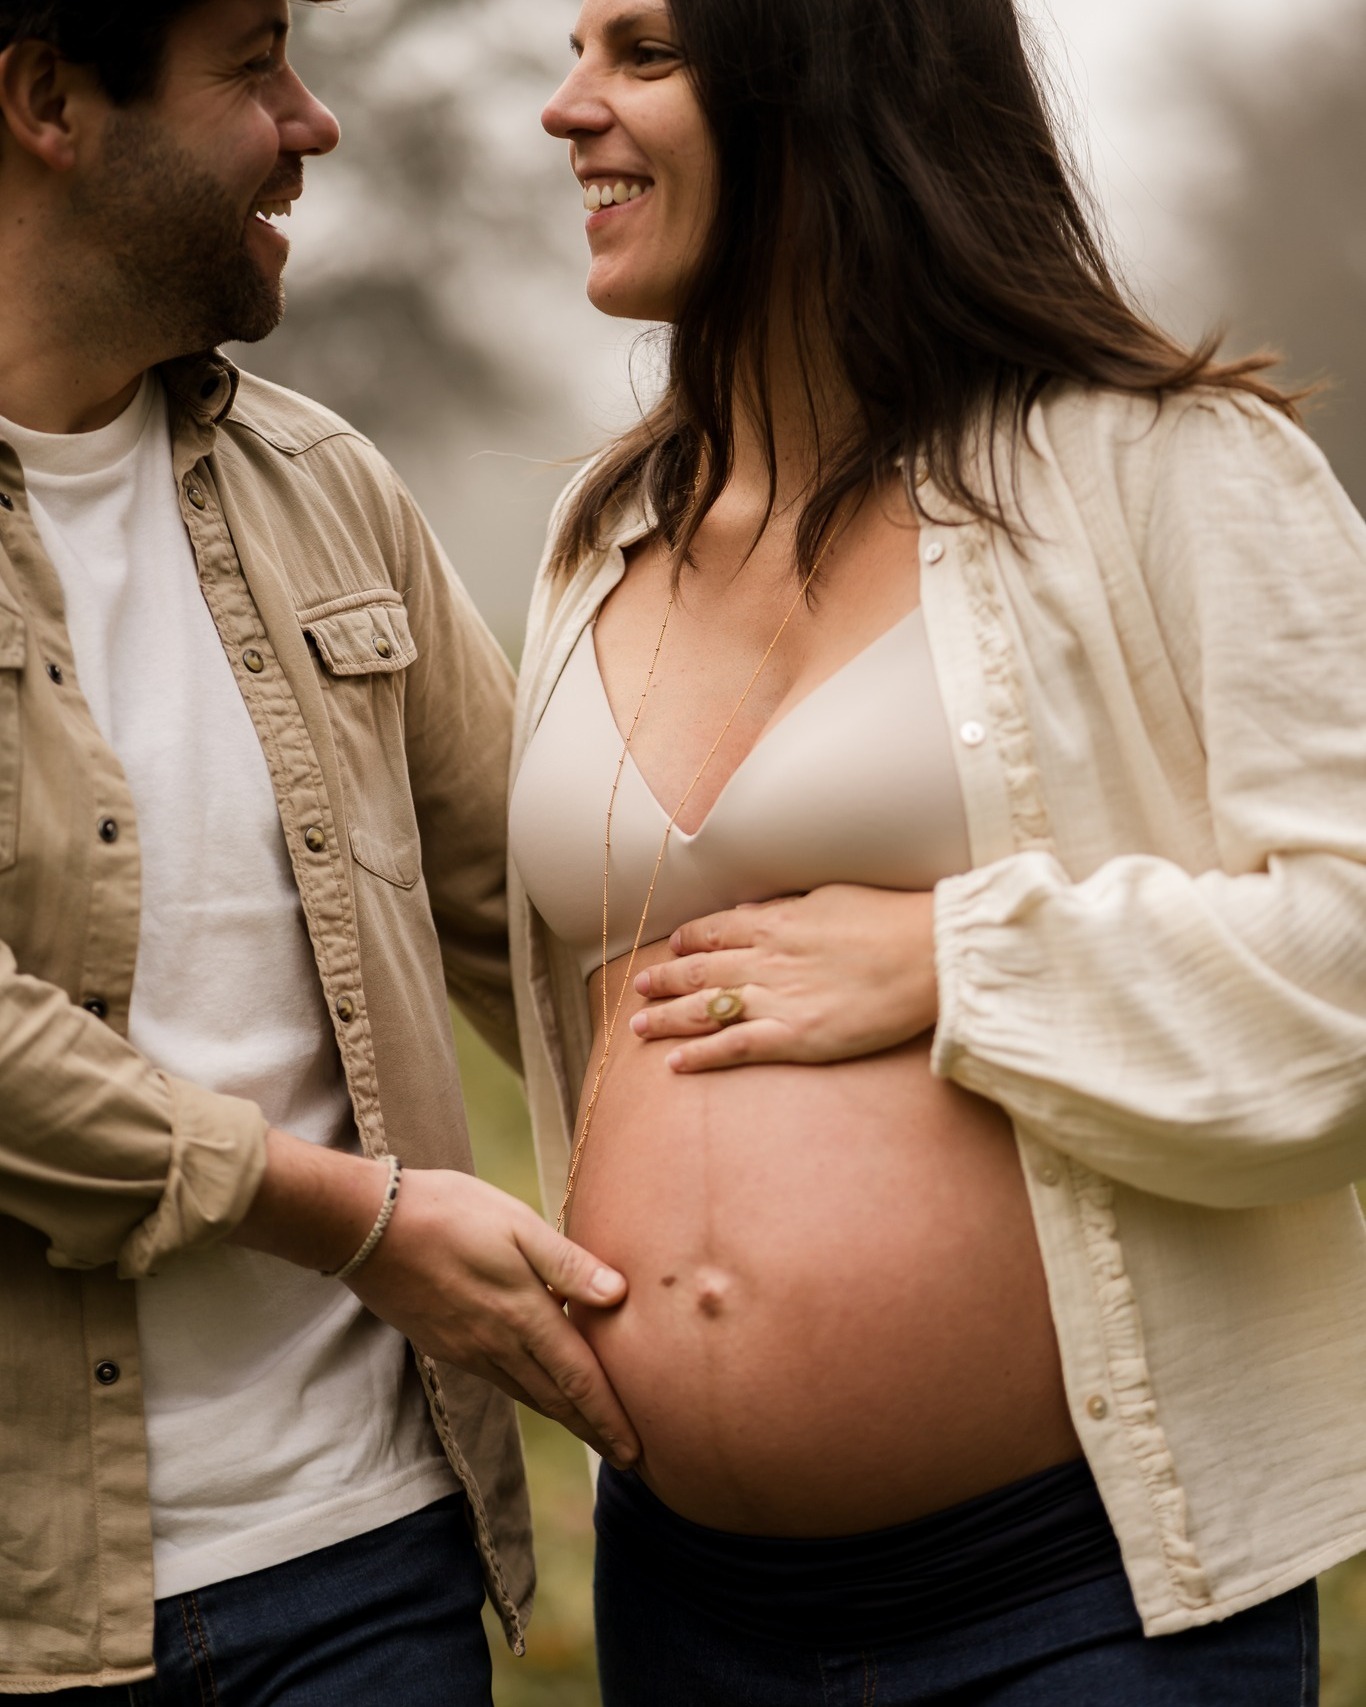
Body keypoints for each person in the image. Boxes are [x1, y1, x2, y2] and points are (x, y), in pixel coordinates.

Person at [517, 0, 1366, 1700]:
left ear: (824, 80)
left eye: (641, 53)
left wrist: (956, 957)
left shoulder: (1167, 471)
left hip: (1069, 1600)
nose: (565, 109)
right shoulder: (603, 531)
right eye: (573, 49)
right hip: (678, 1600)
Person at [0, 0, 641, 1698]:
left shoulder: (325, 488)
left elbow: (555, 912)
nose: (314, 121)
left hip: (372, 1565)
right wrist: (361, 1221)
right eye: (252, 65)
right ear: (47, 97)